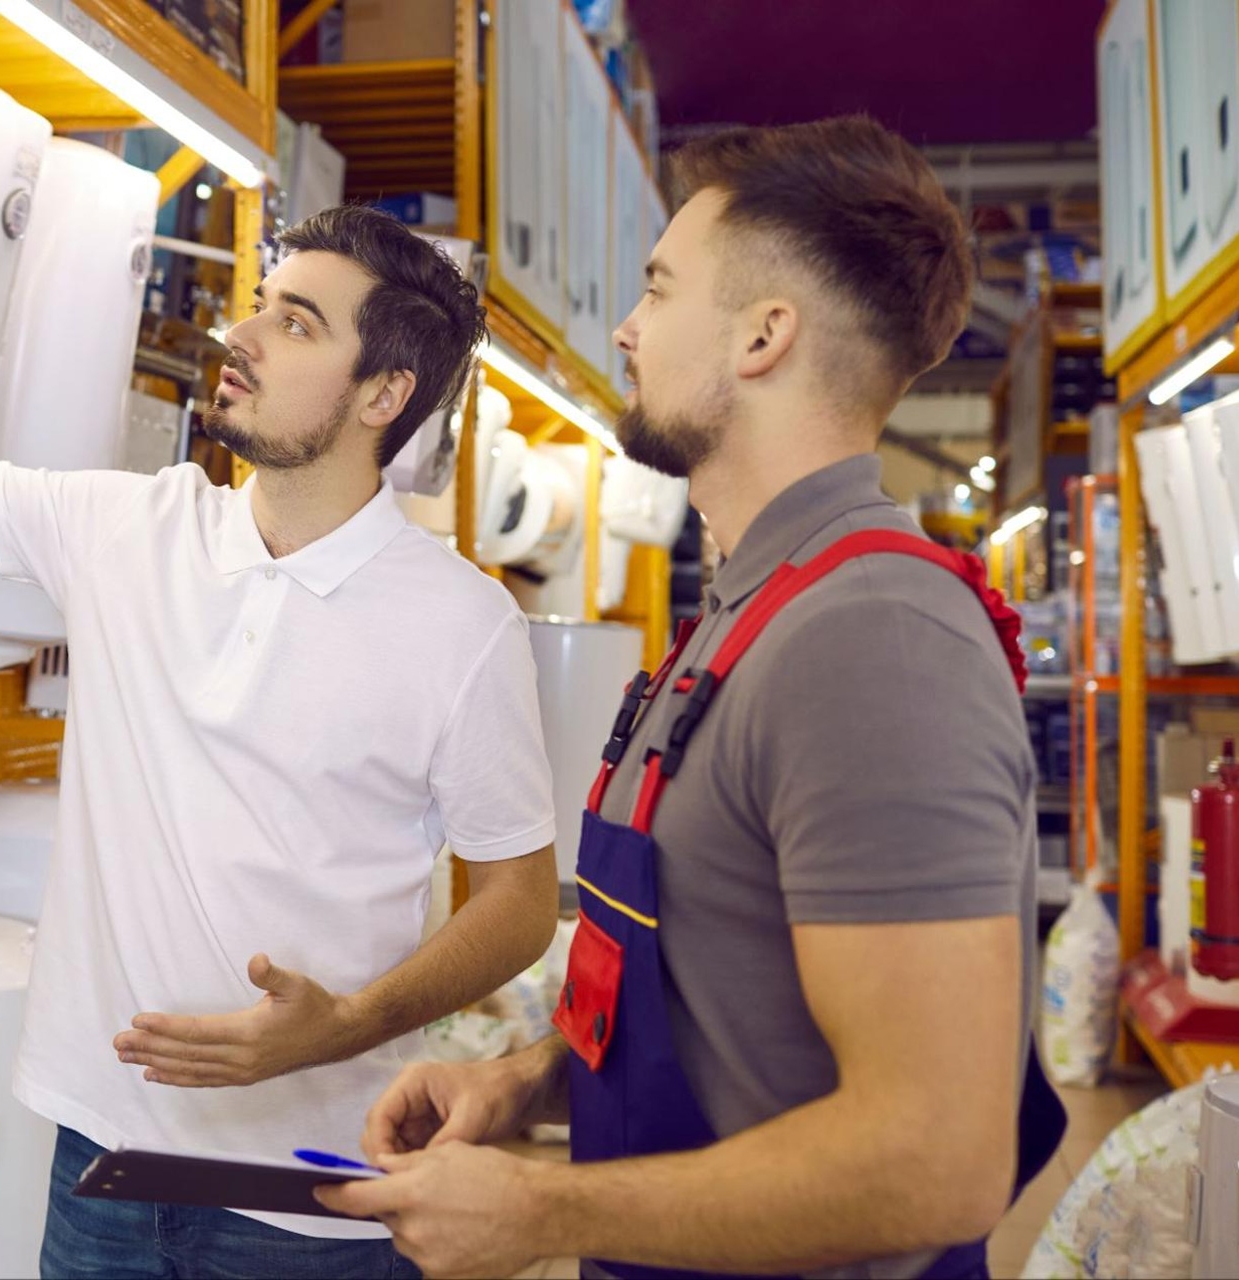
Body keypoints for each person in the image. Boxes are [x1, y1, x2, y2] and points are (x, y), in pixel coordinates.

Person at [0, 89, 561, 1279]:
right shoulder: (128, 528)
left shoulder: (462, 625)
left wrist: (347, 1022)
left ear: (383, 395)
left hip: (311, 1208)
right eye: (260, 301)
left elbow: (518, 901)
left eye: (293, 322)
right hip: (101, 1175)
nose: (243, 330)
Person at [322, 116, 1067, 1279]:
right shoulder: (748, 610)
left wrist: (548, 1210)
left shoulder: (872, 637)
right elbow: (717, 993)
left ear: (766, 334)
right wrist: (523, 1080)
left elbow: (941, 1156)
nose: (625, 327)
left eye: (661, 289)